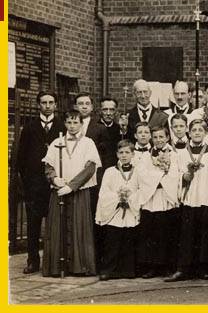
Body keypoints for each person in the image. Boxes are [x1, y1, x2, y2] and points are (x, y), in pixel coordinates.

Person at [41, 110, 101, 276]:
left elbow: (90, 168)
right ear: (65, 124)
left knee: (79, 226)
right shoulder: (56, 142)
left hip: (79, 192)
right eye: (69, 122)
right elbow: (48, 165)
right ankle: (55, 267)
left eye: (76, 122)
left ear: (81, 124)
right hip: (59, 191)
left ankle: (79, 266)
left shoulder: (88, 143)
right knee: (57, 226)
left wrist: (72, 186)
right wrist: (55, 179)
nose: (72, 126)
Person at [16, 91, 64, 274]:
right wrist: (26, 180)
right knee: (33, 224)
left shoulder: (62, 126)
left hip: (55, 183)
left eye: (51, 102)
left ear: (56, 105)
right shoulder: (29, 127)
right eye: (43, 102)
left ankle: (55, 261)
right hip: (35, 184)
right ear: (38, 105)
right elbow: (21, 156)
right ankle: (33, 261)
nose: (47, 106)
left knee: (56, 223)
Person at [166, 119, 208, 281]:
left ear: (206, 133)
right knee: (186, 234)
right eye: (194, 130)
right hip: (189, 197)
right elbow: (174, 174)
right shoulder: (181, 154)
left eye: (200, 130)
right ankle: (183, 268)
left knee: (205, 234)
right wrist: (185, 176)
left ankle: (204, 268)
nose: (197, 133)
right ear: (189, 132)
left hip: (207, 196)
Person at [137, 126, 180, 279]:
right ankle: (152, 266)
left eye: (162, 137)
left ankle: (167, 266)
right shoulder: (145, 157)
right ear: (151, 139)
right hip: (152, 197)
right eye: (155, 137)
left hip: (166, 197)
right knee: (151, 233)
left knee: (166, 232)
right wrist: (158, 179)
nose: (159, 140)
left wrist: (159, 179)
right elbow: (142, 175)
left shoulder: (174, 155)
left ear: (167, 138)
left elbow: (175, 174)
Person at [95, 140, 140, 280]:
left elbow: (141, 190)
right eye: (121, 152)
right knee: (112, 242)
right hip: (114, 211)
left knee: (128, 240)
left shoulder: (138, 171)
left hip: (131, 210)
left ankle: (127, 270)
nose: (124, 155)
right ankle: (108, 270)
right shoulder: (110, 172)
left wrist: (130, 198)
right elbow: (103, 193)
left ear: (133, 154)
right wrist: (118, 198)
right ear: (116, 154)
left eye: (127, 152)